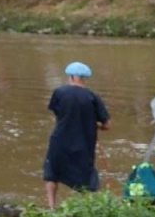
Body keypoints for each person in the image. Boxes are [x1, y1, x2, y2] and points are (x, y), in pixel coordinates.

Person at [43, 61, 111, 209]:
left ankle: (51, 208)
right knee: (84, 177)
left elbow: (57, 113)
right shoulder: (93, 97)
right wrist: (94, 125)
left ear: (72, 77)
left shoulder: (59, 92)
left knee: (52, 173)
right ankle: (84, 209)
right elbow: (107, 125)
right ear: (84, 78)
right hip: (84, 143)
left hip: (60, 140)